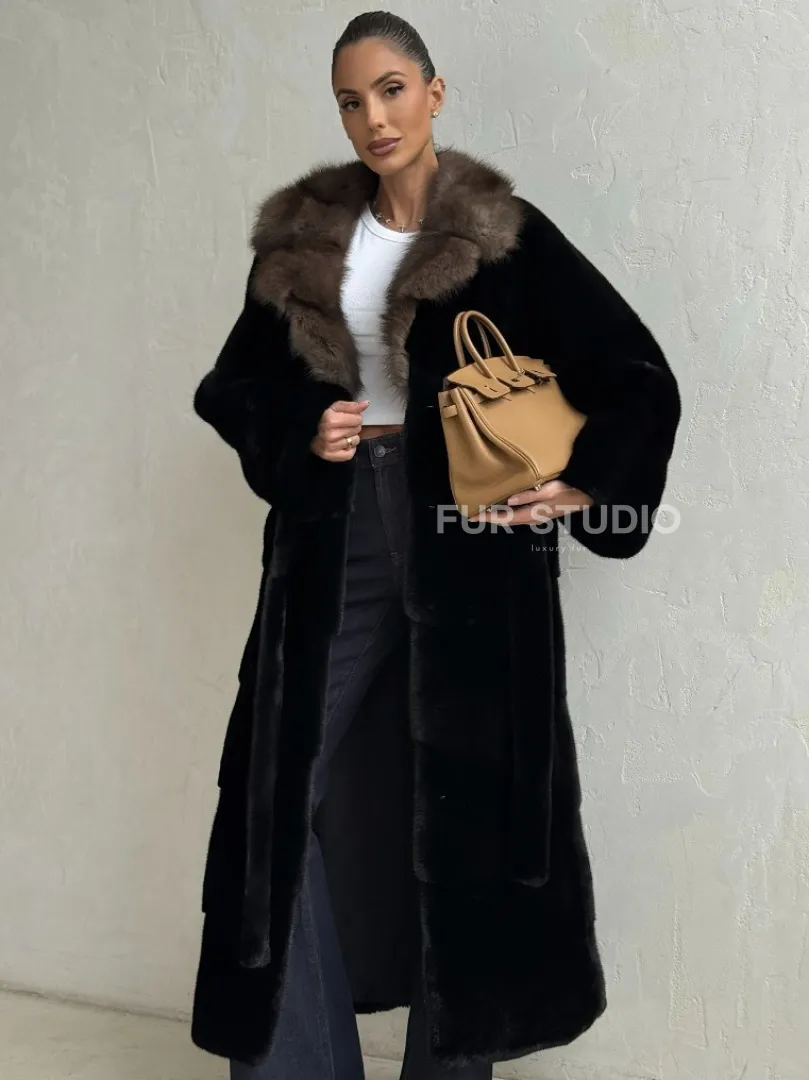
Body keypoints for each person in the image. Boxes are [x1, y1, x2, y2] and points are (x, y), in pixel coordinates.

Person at [190, 10, 682, 1080]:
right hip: (335, 537)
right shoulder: (304, 244)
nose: (374, 117)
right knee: (281, 794)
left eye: (391, 90)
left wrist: (587, 483)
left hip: (471, 541)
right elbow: (228, 387)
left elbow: (636, 374)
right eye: (351, 100)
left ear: (433, 93)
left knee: (467, 808)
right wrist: (299, 424)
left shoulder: (501, 234)